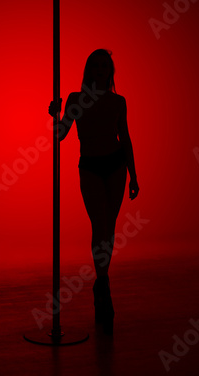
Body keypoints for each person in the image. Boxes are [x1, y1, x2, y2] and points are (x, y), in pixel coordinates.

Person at [48, 48, 139, 334]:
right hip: (89, 167)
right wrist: (56, 115)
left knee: (109, 228)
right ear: (89, 70)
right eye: (95, 66)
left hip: (115, 166)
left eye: (105, 66)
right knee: (98, 224)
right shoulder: (76, 100)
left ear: (111, 72)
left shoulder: (118, 102)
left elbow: (125, 138)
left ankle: (103, 283)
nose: (100, 70)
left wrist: (134, 175)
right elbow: (60, 135)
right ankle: (102, 284)